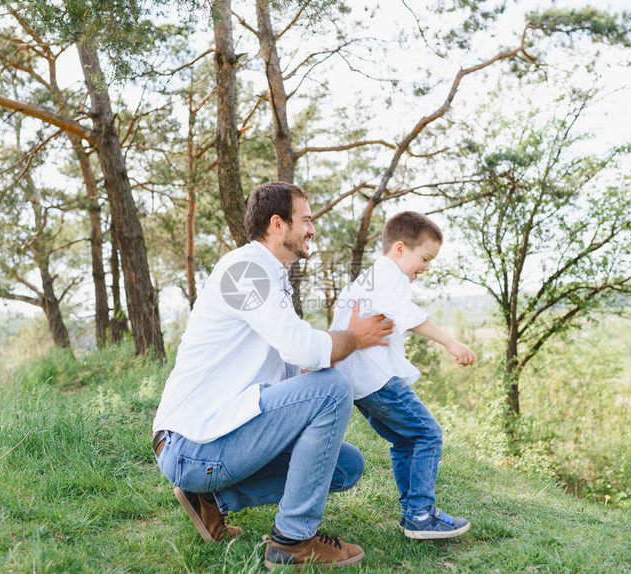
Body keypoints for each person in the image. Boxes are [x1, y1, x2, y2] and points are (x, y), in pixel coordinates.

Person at [152, 181, 393, 570]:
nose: (312, 229)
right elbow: (300, 348)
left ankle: (212, 502)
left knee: (347, 466)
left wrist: (352, 356)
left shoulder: (271, 277)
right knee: (332, 390)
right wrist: (352, 338)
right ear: (278, 224)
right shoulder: (245, 271)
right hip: (191, 445)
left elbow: (292, 370)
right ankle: (294, 541)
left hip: (215, 439)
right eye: (306, 220)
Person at [330, 210, 477, 539]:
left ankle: (413, 513)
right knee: (428, 434)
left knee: (403, 440)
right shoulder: (387, 276)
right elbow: (409, 315)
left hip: (360, 382)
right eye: (424, 258)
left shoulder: (372, 277)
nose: (425, 268)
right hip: (377, 379)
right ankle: (421, 515)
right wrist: (451, 342)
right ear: (400, 248)